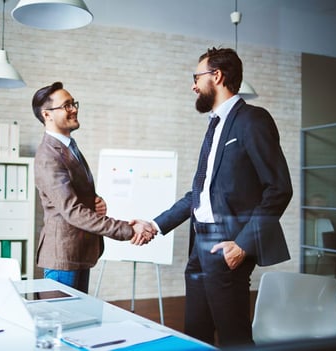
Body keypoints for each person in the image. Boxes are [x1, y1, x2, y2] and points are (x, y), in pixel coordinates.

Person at [151, 48, 293, 346]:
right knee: (196, 333)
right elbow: (200, 194)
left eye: (196, 77)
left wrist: (243, 244)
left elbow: (279, 188)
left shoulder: (252, 120)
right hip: (200, 243)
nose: (193, 85)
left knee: (234, 338)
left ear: (217, 76)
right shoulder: (214, 125)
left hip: (229, 242)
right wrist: (155, 225)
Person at [32, 82, 156, 293]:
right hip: (62, 258)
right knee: (61, 322)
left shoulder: (69, 146)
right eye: (66, 105)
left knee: (78, 323)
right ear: (47, 115)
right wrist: (129, 229)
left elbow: (74, 193)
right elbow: (72, 211)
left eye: (74, 103)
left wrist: (94, 200)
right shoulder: (48, 156)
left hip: (78, 253)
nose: (74, 109)